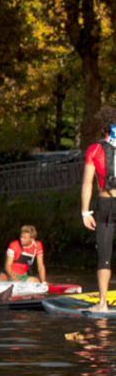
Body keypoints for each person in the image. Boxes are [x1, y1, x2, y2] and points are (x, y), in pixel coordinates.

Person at [80, 107, 116, 311]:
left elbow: (87, 183)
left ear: (103, 127)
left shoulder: (94, 150)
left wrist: (85, 212)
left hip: (105, 204)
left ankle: (102, 303)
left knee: (104, 255)